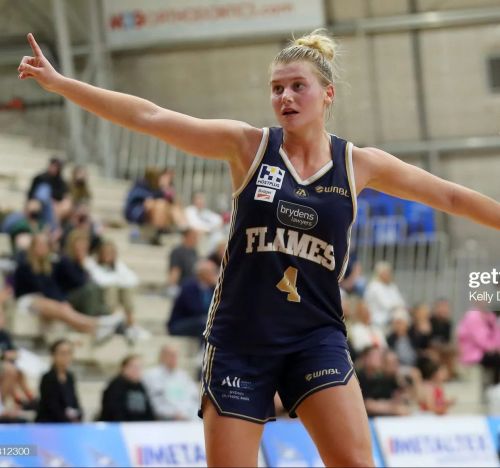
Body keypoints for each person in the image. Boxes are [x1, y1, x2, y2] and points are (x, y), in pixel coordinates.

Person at [19, 29, 500, 467]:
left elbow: (450, 197)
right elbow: (151, 116)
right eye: (276, 88)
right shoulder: (248, 146)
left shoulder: (358, 164)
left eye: (297, 86)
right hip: (240, 340)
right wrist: (63, 85)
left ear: (327, 94)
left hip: (314, 336)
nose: (285, 97)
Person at [13, 233, 122, 341]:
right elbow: (38, 287)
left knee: (63, 307)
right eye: (39, 245)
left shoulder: (49, 266)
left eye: (45, 245)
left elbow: (53, 287)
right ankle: (97, 324)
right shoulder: (24, 265)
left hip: (44, 298)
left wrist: (62, 300)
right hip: (28, 299)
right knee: (60, 308)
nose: (42, 248)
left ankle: (96, 326)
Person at [85, 239, 149, 341]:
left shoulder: (119, 265)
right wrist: (116, 280)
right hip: (98, 297)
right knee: (112, 288)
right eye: (106, 252)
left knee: (127, 289)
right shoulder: (92, 264)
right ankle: (113, 321)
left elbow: (132, 280)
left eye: (111, 252)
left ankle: (131, 324)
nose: (108, 255)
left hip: (114, 292)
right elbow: (100, 280)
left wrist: (118, 280)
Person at [53, 229, 110, 317]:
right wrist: (83, 263)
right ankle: (91, 319)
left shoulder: (79, 260)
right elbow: (80, 281)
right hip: (66, 297)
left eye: (85, 244)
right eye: (80, 244)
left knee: (104, 307)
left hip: (80, 295)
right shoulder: (65, 260)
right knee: (90, 288)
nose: (83, 247)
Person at [143, 344, 199, 421]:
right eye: (171, 355)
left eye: (176, 355)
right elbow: (153, 401)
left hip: (188, 418)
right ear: (162, 356)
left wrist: (187, 413)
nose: (174, 358)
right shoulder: (151, 375)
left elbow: (193, 398)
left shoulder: (183, 376)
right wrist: (172, 414)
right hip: (164, 420)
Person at [167, 259, 217, 340]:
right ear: (202, 274)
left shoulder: (212, 288)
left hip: (200, 321)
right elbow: (194, 309)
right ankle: (203, 347)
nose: (215, 275)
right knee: (205, 324)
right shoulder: (189, 286)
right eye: (212, 272)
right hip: (180, 323)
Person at [36, 339, 82, 422]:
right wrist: (68, 420)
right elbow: (51, 406)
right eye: (63, 353)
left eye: (69, 353)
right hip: (49, 423)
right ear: (53, 355)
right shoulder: (48, 378)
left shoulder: (70, 377)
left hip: (68, 422)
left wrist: (78, 415)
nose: (66, 357)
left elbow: (75, 402)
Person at [100, 354, 155, 422]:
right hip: (121, 425)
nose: (136, 370)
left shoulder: (140, 386)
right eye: (133, 367)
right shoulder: (116, 385)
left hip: (140, 425)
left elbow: (148, 409)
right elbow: (114, 411)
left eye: (139, 367)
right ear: (124, 368)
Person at [457, 304, 500, 384]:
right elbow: (479, 339)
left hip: (487, 352)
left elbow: (496, 334)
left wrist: (497, 347)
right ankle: (496, 385)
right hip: (474, 354)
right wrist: (494, 348)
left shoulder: (490, 316)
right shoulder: (472, 316)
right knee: (497, 360)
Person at [27, 157, 71, 229]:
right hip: (38, 202)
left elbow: (61, 196)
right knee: (35, 204)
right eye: (53, 166)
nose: (54, 168)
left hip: (53, 205)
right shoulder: (40, 178)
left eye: (57, 167)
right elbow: (31, 194)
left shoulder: (61, 182)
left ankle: (54, 229)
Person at [364, 261, 406, 330]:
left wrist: (398, 306)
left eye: (389, 272)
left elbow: (402, 302)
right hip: (377, 319)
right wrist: (397, 306)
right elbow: (386, 305)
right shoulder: (374, 286)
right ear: (379, 273)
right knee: (399, 315)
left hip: (391, 317)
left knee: (402, 315)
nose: (388, 274)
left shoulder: (392, 286)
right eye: (386, 273)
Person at [166, 228, 199, 297]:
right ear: (186, 237)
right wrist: (172, 286)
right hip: (181, 286)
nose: (196, 240)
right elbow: (175, 270)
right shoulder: (178, 251)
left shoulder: (194, 252)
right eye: (194, 237)